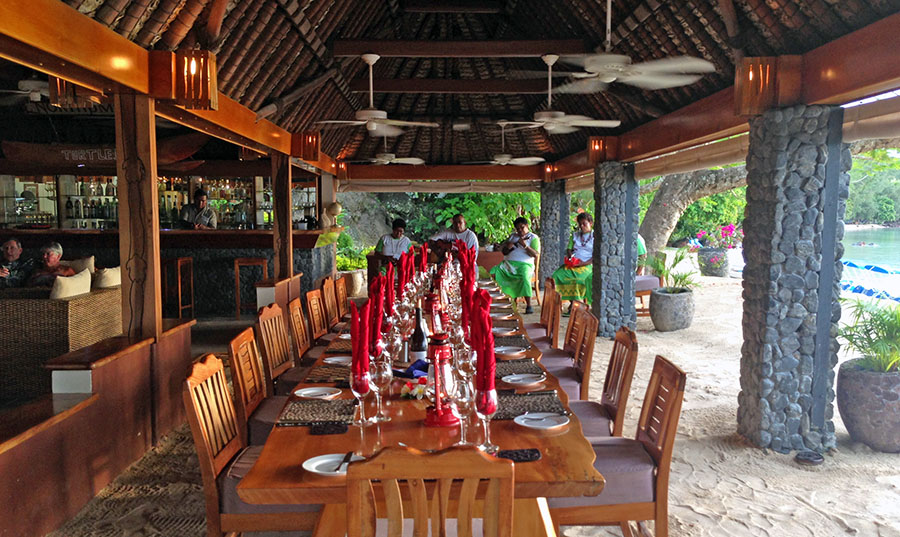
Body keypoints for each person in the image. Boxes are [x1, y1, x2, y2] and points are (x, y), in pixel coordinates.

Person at [490, 217, 540, 314]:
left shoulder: (533, 238)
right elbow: (504, 252)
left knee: (524, 277)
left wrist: (525, 245)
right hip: (508, 263)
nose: (520, 230)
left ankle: (529, 305)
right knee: (493, 272)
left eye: (522, 227)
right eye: (518, 229)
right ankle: (500, 300)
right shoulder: (513, 237)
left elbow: (535, 254)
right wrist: (508, 248)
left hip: (525, 265)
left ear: (527, 226)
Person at [553, 212, 594, 309]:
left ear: (591, 223)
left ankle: (576, 305)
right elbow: (569, 249)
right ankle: (560, 303)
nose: (582, 226)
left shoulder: (595, 236)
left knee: (576, 281)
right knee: (556, 276)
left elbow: (596, 256)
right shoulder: (575, 235)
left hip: (586, 265)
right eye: (580, 224)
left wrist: (583, 263)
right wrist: (570, 256)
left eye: (584, 223)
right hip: (573, 264)